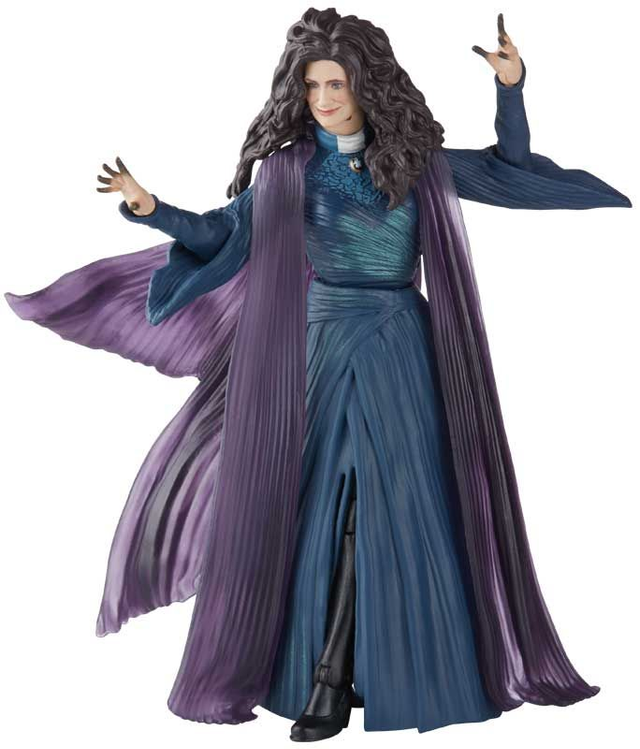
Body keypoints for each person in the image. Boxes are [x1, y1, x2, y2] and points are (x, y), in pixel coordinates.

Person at [4, 7, 631, 743]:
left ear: (367, 84)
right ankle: (330, 672)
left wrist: (512, 88)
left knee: (393, 501)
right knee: (332, 500)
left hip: (402, 346)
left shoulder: (417, 162)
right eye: (312, 85)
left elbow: (508, 167)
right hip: (323, 346)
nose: (324, 98)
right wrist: (152, 210)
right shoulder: (289, 171)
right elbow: (220, 234)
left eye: (336, 82)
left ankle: (343, 678)